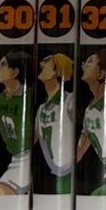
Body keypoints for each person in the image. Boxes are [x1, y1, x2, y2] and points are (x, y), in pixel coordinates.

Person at [76, 49, 106, 195]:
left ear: (102, 74)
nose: (83, 65)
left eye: (90, 62)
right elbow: (80, 149)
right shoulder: (89, 110)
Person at [0, 50, 33, 195]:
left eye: (3, 65)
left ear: (15, 72)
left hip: (28, 156)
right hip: (13, 157)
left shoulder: (29, 96)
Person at [35, 53, 75, 194]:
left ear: (57, 72)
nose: (42, 64)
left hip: (67, 171)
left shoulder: (70, 100)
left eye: (47, 63)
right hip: (51, 171)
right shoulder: (42, 108)